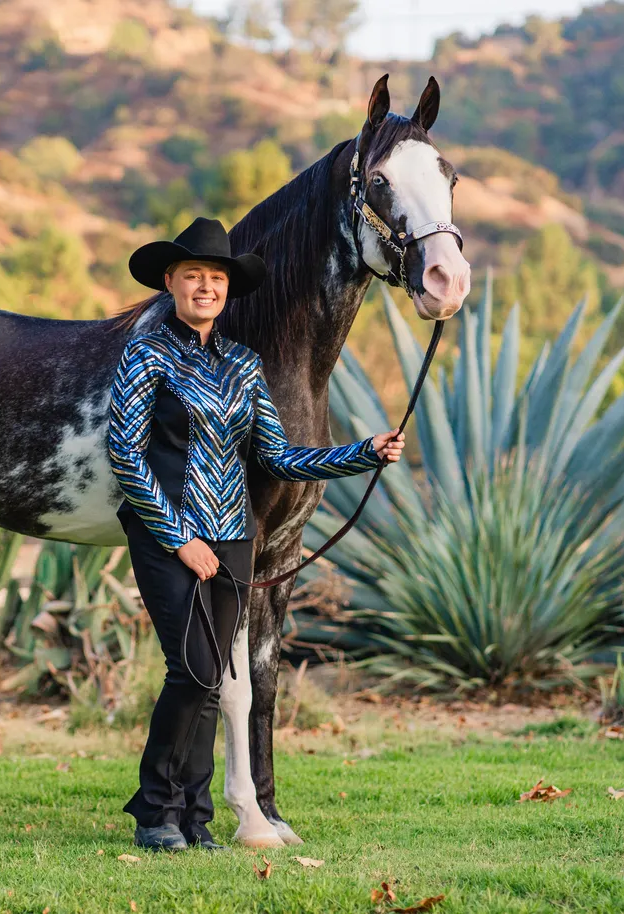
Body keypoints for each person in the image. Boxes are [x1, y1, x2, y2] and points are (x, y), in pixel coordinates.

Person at [106, 217, 405, 852]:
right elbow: (126, 455)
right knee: (192, 670)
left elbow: (277, 457)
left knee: (215, 677)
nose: (205, 287)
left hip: (233, 537)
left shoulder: (244, 365)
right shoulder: (145, 354)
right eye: (194, 277)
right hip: (171, 537)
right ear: (171, 283)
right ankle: (155, 810)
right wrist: (179, 538)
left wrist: (364, 452)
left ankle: (195, 816)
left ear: (228, 290)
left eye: (215, 279)